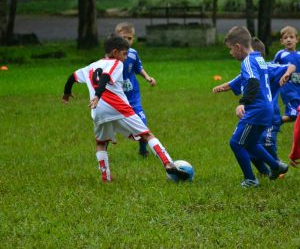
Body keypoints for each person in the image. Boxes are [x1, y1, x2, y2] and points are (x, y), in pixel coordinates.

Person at [62, 34, 189, 182]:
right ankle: (168, 163)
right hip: (118, 108)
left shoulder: (91, 66)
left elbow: (72, 77)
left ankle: (106, 178)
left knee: (101, 143)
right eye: (124, 54)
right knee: (147, 135)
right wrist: (98, 95)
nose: (125, 57)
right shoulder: (116, 64)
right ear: (115, 53)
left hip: (98, 111)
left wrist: (66, 93)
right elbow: (105, 77)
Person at [213, 36, 295, 176]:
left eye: (231, 49)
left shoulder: (261, 65)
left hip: (263, 112)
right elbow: (237, 81)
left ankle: (264, 171)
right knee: (250, 144)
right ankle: (271, 169)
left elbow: (290, 66)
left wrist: (286, 74)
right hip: (262, 111)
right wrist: (221, 87)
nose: (230, 52)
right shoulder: (257, 65)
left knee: (248, 143)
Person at [115, 22, 156, 157]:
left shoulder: (133, 54)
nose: (126, 41)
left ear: (133, 39)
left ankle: (143, 150)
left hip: (133, 96)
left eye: (129, 38)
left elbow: (138, 68)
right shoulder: (112, 56)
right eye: (123, 37)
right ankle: (103, 150)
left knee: (142, 122)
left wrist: (147, 77)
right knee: (108, 125)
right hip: (116, 97)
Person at [273, 26, 300, 123]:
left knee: (296, 115)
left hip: (298, 88)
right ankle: (274, 122)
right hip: (287, 89)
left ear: (297, 39)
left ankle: (275, 122)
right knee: (294, 115)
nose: (288, 40)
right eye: (285, 38)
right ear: (282, 41)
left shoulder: (299, 55)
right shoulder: (280, 54)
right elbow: (273, 68)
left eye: (291, 37)